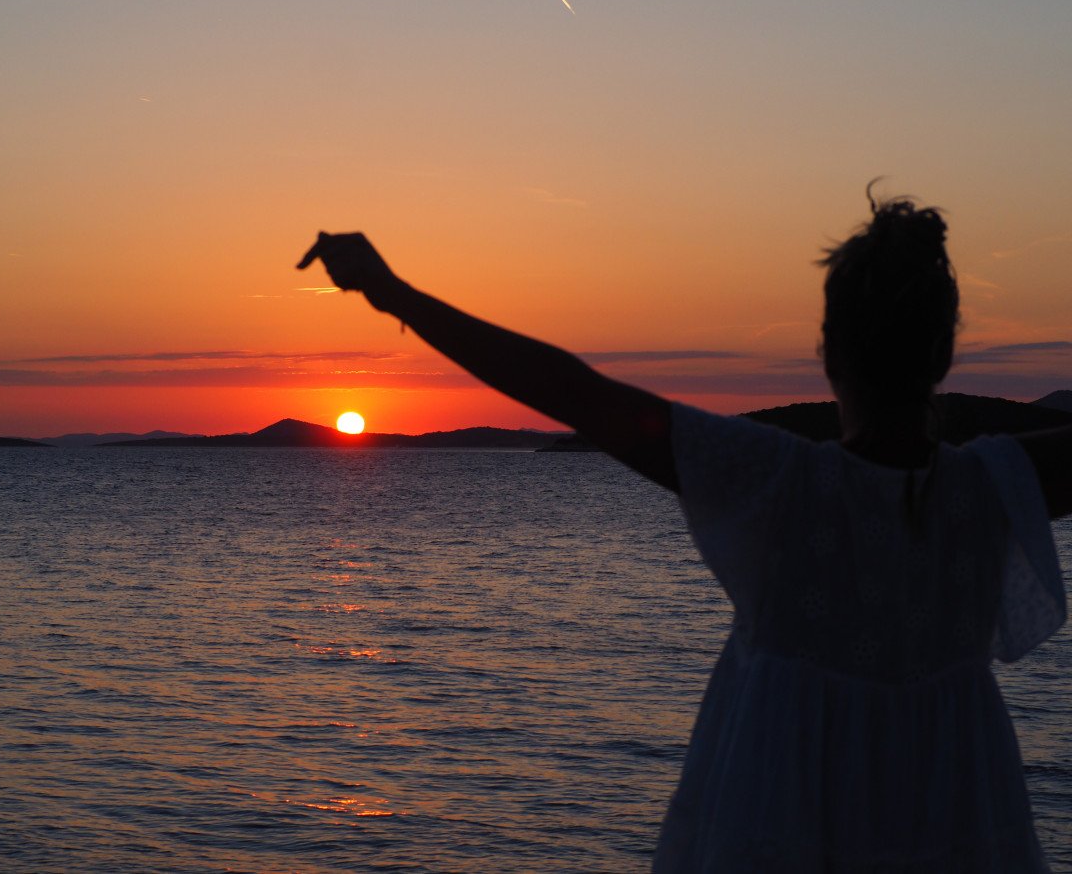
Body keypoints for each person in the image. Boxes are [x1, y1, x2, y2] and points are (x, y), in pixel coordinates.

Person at [296, 193, 1071, 872]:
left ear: (828, 353)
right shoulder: (997, 490)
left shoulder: (780, 486)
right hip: (962, 823)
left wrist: (391, 290)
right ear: (943, 355)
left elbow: (575, 393)